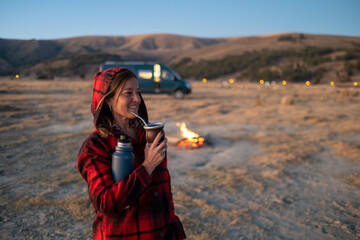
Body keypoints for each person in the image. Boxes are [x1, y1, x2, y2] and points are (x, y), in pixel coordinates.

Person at [77, 68, 186, 239]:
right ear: (108, 99)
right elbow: (106, 203)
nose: (137, 99)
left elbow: (163, 190)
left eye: (138, 92)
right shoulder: (95, 146)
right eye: (128, 93)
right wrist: (147, 167)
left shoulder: (147, 136)